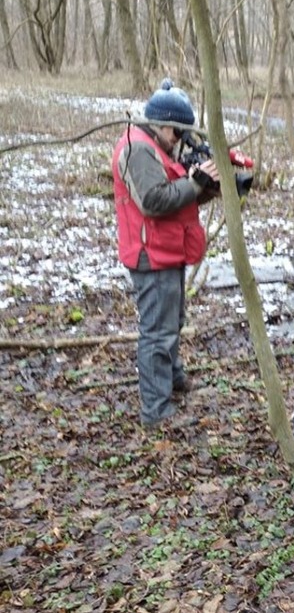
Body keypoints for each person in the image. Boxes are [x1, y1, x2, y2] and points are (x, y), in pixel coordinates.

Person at [112, 79, 220, 427]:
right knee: (158, 331)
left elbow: (179, 199)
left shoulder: (158, 146)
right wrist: (193, 184)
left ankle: (172, 379)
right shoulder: (137, 148)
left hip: (167, 248)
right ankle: (155, 410)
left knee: (173, 322)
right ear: (161, 124)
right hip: (150, 253)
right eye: (177, 132)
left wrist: (204, 187)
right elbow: (155, 201)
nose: (180, 141)